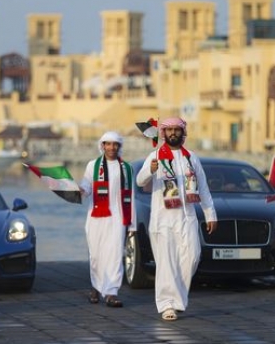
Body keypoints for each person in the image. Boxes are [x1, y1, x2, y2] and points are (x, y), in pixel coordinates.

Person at [136, 117, 217, 321]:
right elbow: (139, 181)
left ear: (182, 132)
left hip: (187, 217)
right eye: (169, 130)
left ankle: (177, 298)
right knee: (166, 263)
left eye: (176, 130)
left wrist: (210, 215)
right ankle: (167, 305)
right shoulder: (155, 156)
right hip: (163, 220)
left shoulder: (191, 158)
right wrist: (150, 170)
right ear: (163, 133)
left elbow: (204, 188)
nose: (173, 133)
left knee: (192, 257)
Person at [78, 131, 136, 308]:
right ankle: (96, 287)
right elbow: (87, 187)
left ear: (119, 147)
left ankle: (111, 292)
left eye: (115, 144)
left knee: (115, 254)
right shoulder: (92, 165)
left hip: (118, 217)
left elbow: (131, 196)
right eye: (108, 144)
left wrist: (132, 224)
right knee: (96, 255)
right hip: (96, 217)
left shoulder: (126, 168)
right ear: (102, 146)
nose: (111, 148)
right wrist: (79, 190)